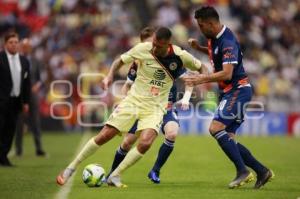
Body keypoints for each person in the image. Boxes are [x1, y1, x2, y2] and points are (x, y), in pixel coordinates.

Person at [56, 27, 207, 187]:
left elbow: (201, 67)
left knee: (146, 142)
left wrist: (201, 81)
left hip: (156, 108)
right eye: (153, 43)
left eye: (158, 46)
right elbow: (119, 61)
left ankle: (115, 175)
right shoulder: (143, 49)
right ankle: (70, 168)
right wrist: (109, 76)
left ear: (167, 44)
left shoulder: (180, 56)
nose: (154, 48)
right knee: (105, 135)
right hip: (133, 102)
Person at [184, 6, 274, 189]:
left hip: (237, 90)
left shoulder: (227, 41)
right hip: (230, 92)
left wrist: (201, 78)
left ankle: (243, 171)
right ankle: (262, 171)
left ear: (211, 23)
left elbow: (226, 73)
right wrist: (199, 48)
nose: (200, 29)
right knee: (229, 138)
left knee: (215, 128)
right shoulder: (213, 38)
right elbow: (214, 56)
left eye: (201, 25)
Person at [107, 27, 193, 184]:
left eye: (154, 44)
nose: (153, 48)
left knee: (172, 133)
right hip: (143, 107)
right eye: (148, 44)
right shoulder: (138, 63)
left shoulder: (173, 59)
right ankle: (112, 174)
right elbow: (127, 85)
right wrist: (127, 102)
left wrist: (186, 98)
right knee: (127, 142)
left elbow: (189, 80)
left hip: (166, 107)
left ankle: (155, 170)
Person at [0, 32, 31, 167]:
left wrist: (26, 102)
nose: (13, 44)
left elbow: (27, 83)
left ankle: (3, 156)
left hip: (16, 101)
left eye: (15, 42)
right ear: (5, 44)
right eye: (11, 42)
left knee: (10, 130)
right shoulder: (0, 58)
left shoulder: (24, 61)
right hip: (1, 100)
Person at [15, 38, 46, 157]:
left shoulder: (36, 61)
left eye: (28, 46)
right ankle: (18, 149)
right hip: (20, 94)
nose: (26, 48)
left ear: (30, 48)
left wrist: (36, 87)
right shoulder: (17, 60)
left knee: (35, 121)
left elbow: (40, 79)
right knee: (19, 121)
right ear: (21, 47)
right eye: (24, 46)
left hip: (33, 94)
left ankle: (39, 148)